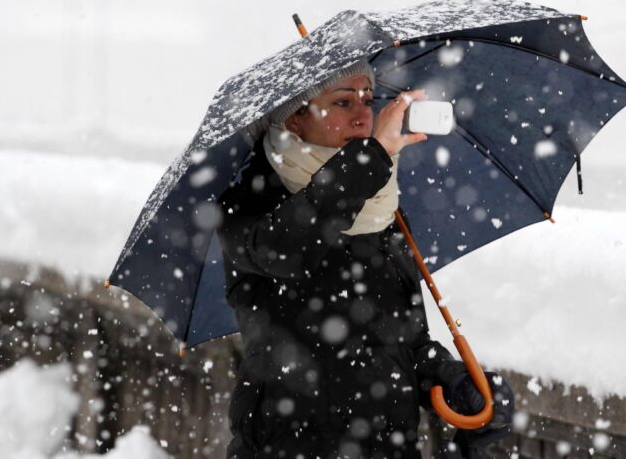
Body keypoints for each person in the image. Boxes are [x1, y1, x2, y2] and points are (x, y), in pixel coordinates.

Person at [216, 60, 513, 459]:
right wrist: (372, 157)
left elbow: (404, 342)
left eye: (367, 99)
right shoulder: (249, 204)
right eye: (342, 102)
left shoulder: (381, 208)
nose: (363, 114)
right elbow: (290, 251)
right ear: (294, 121)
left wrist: (458, 383)